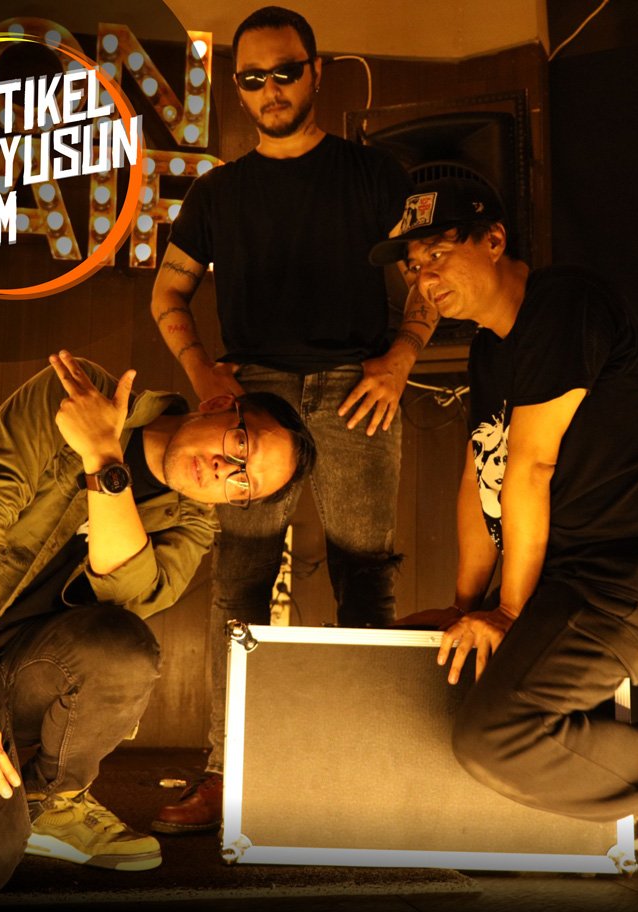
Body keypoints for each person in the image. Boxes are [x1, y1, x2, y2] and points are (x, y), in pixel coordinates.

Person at [0, 349, 315, 897]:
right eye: (240, 446)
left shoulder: (191, 521)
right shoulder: (77, 393)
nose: (225, 471)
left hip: (25, 674)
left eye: (243, 483)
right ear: (217, 406)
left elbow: (121, 599)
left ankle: (51, 802)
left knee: (123, 647)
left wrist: (103, 458)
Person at [149, 5, 438, 834]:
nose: (270, 88)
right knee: (237, 584)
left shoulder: (376, 174)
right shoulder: (218, 192)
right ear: (237, 89)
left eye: (285, 71)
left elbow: (427, 272)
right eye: (253, 77)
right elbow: (168, 291)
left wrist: (403, 355)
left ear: (316, 72)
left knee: (365, 578)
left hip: (357, 385)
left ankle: (370, 773)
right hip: (253, 395)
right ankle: (224, 772)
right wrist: (202, 372)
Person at [372, 177, 638, 834]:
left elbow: (530, 468)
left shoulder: (563, 302)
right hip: (564, 579)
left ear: (494, 240)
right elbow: (482, 476)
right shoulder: (488, 348)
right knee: (415, 669)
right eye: (412, 267)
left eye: (437, 253)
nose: (423, 278)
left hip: (620, 574)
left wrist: (510, 612)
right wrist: (467, 604)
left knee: (496, 737)